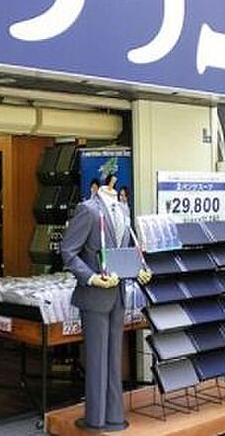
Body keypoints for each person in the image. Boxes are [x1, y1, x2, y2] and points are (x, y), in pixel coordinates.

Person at [61, 173, 151, 431]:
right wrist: (90, 278)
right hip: (94, 296)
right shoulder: (88, 210)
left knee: (114, 358)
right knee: (97, 359)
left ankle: (114, 415)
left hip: (118, 294)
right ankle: (95, 418)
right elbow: (68, 251)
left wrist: (139, 270)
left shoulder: (123, 210)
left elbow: (123, 251)